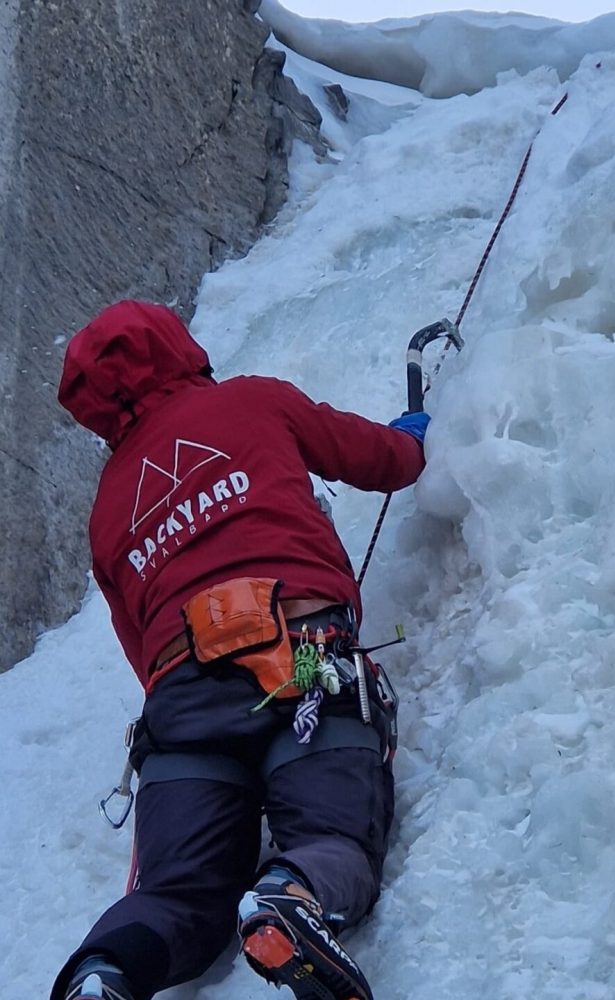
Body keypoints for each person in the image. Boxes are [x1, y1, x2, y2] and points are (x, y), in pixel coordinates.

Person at [51, 300, 430, 1000]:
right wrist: (411, 439)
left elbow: (141, 648)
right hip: (305, 657)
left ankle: (106, 973)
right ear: (179, 349)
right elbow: (380, 461)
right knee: (333, 836)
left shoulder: (108, 510)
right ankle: (292, 896)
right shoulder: (253, 402)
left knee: (177, 895)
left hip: (182, 703)